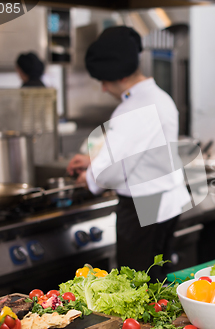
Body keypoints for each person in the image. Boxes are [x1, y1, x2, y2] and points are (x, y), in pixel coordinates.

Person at [66, 26, 190, 280]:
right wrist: (93, 161)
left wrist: (89, 178)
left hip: (142, 207)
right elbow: (139, 152)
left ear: (118, 77)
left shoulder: (132, 108)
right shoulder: (161, 98)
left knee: (135, 286)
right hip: (165, 203)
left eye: (103, 81)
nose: (103, 89)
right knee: (156, 282)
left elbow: (110, 170)